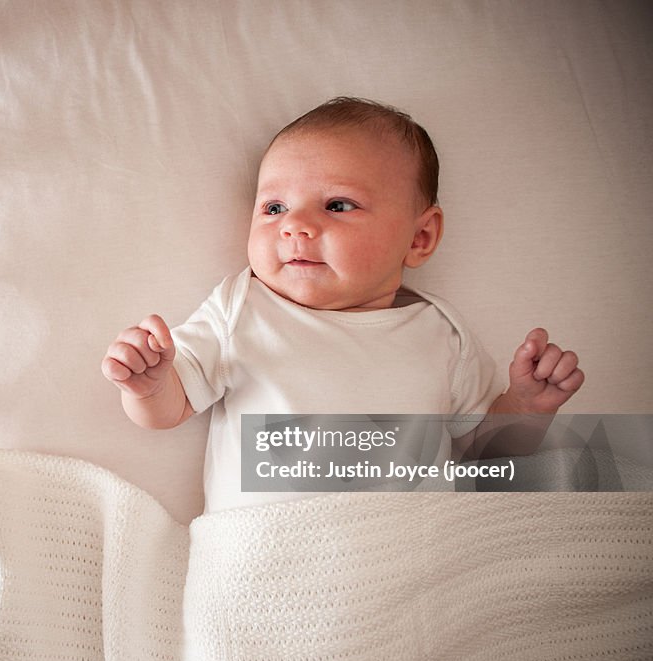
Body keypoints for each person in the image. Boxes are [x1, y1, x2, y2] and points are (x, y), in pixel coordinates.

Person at [101, 97, 584, 512]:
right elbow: (169, 409)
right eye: (274, 208)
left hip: (412, 560)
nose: (295, 226)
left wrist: (525, 407)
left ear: (420, 237)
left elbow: (485, 460)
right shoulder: (243, 308)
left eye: (336, 205)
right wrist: (149, 385)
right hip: (267, 556)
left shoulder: (441, 336)